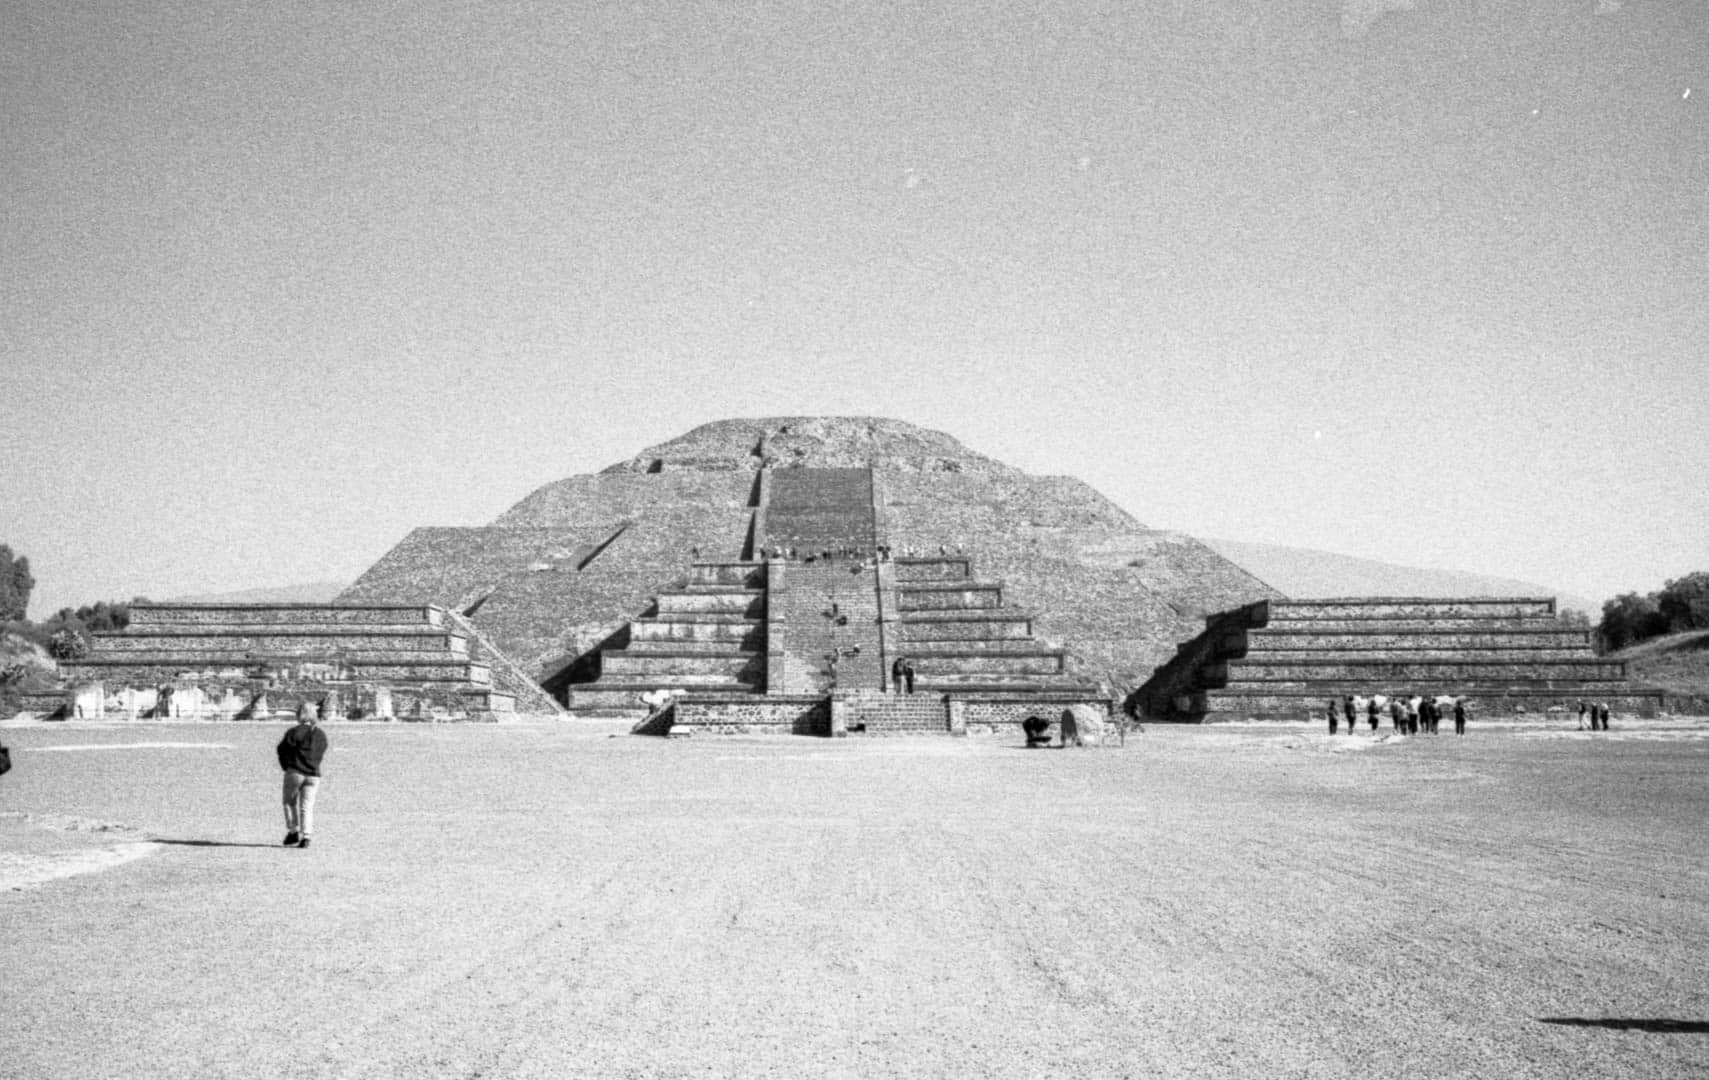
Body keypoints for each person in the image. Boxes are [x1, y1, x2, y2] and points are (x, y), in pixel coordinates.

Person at [276, 702, 328, 849]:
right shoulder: (320, 734)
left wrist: (286, 766)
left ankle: (293, 831)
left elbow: (281, 750)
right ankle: (306, 836)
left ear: (300, 714)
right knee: (307, 806)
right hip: (314, 774)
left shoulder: (294, 732)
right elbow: (321, 752)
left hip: (296, 771)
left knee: (289, 802)